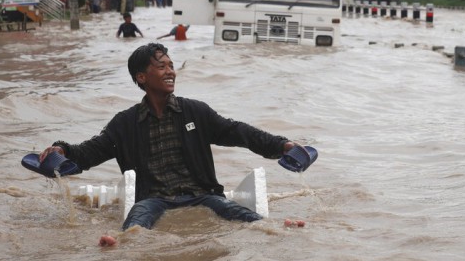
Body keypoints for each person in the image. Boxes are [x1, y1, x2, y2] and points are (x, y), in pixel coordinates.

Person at [38, 43, 298, 245]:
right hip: (154, 199)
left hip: (202, 195)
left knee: (237, 213)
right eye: (161, 67)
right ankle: (119, 244)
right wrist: (61, 150)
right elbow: (89, 151)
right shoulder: (125, 123)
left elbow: (240, 132)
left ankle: (275, 229)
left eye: (171, 66)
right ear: (142, 77)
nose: (171, 71)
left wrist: (282, 145)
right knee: (137, 221)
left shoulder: (196, 112)